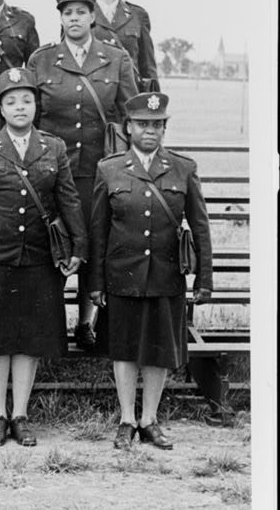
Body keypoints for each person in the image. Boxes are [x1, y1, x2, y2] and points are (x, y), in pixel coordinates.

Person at [0, 67, 86, 447]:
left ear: (36, 105)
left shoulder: (54, 147)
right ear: (0, 108)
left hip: (39, 257)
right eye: (11, 101)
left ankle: (20, 414)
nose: (19, 107)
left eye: (26, 100)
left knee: (30, 338)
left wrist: (78, 247)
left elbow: (68, 199)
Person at [89, 92, 212, 450]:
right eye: (143, 124)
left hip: (166, 275)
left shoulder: (182, 168)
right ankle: (127, 419)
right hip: (122, 275)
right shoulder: (109, 169)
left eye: (158, 125)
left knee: (159, 352)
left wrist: (204, 280)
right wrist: (95, 283)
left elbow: (200, 227)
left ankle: (150, 420)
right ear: (128, 128)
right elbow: (98, 231)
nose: (151, 131)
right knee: (124, 350)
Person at [26, 0, 137, 350]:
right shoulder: (42, 60)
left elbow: (130, 114)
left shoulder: (115, 58)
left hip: (98, 171)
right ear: (59, 18)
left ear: (92, 16)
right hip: (51, 172)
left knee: (94, 242)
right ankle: (48, 322)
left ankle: (87, 323)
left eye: (80, 12)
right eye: (67, 12)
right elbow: (29, 116)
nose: (74, 18)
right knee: (52, 241)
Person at [89, 0, 159, 91]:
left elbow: (147, 68)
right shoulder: (80, 14)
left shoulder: (138, 15)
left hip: (129, 98)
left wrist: (153, 106)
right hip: (93, 100)